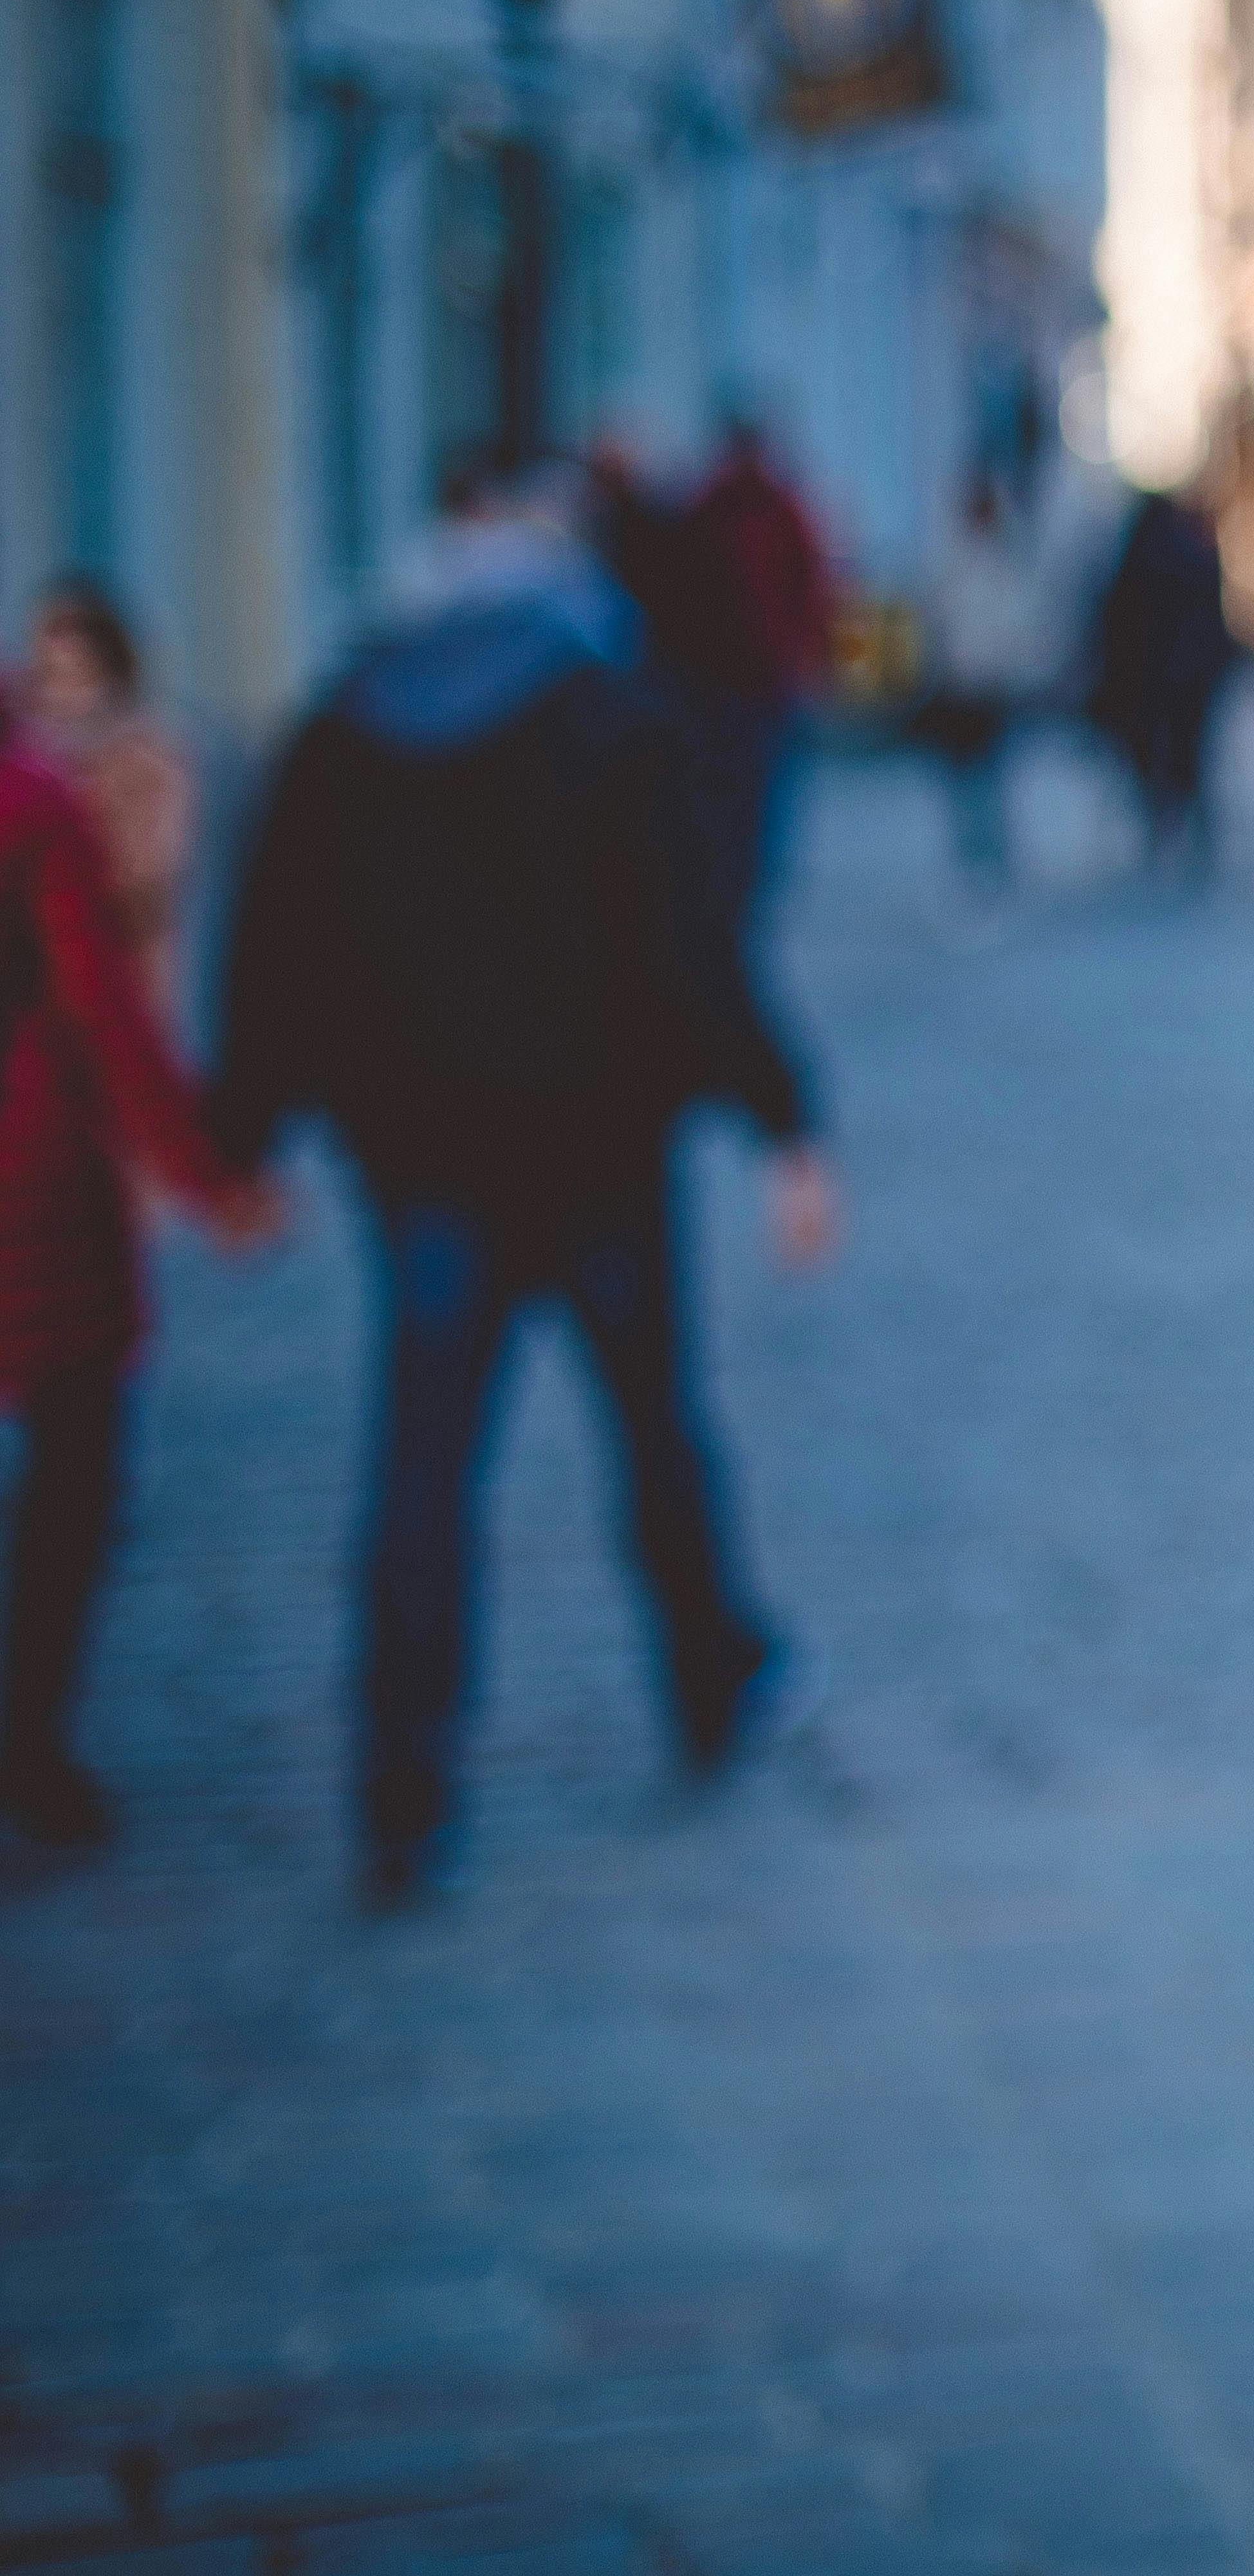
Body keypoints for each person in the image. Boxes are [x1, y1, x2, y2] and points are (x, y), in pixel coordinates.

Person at [207, 458, 840, 1908]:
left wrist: (243, 1136)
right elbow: (694, 949)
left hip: (426, 1159)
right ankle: (710, 1673)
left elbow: (279, 938)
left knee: (426, 1456)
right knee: (652, 1429)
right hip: (596, 1154)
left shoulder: (349, 723)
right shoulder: (610, 718)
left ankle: (402, 1778)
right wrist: (785, 1121)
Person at [0, 657, 279, 1846]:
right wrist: (207, 1173)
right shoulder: (31, 800)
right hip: (32, 1179)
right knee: (74, 1474)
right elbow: (100, 1004)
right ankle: (28, 1744)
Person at [676, 406, 840, 937]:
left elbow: (812, 584)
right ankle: (745, 873)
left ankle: (746, 874)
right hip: (746, 674)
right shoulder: (733, 506)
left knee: (755, 781)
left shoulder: (739, 507)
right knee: (753, 781)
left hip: (753, 674)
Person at [16, 581, 198, 1017]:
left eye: (75, 675)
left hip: (120, 988)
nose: (61, 697)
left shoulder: (147, 760)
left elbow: (145, 879)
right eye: (49, 676)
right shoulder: (32, 762)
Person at [914, 471, 1049, 903]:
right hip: (960, 689)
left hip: (991, 688)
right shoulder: (953, 563)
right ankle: (973, 856)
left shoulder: (1006, 563)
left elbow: (1020, 627)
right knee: (966, 779)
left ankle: (994, 855)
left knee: (992, 775)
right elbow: (936, 623)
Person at [1087, 487, 1235, 876]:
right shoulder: (1186, 556)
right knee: (1180, 753)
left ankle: (1170, 824)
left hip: (1165, 678)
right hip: (1175, 677)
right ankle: (1179, 824)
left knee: (1166, 755)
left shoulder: (1150, 557)